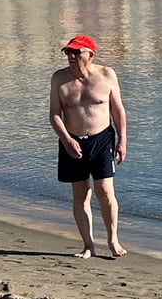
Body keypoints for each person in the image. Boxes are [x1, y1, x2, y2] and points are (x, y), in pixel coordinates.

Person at [49, 34, 128, 259]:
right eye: (68, 52)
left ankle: (113, 239)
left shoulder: (107, 75)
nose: (71, 57)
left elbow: (118, 110)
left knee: (105, 192)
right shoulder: (59, 79)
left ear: (90, 55)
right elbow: (54, 113)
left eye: (76, 52)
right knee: (81, 195)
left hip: (102, 139)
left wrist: (122, 140)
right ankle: (88, 245)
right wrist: (66, 139)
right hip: (72, 140)